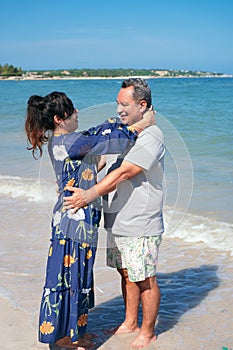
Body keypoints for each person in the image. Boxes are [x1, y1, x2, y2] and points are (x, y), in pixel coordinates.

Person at [25, 91, 155, 349]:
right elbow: (116, 140)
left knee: (80, 278)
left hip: (81, 221)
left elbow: (97, 136)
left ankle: (77, 333)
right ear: (59, 118)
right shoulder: (71, 142)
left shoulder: (66, 142)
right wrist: (143, 123)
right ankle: (63, 338)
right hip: (72, 222)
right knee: (68, 278)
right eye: (73, 112)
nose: (78, 114)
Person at [64, 78, 165, 349]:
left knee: (144, 278)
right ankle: (130, 322)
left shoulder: (151, 136)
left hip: (140, 221)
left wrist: (88, 196)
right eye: (117, 103)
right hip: (117, 218)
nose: (119, 109)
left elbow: (124, 172)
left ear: (142, 105)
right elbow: (97, 155)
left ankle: (148, 331)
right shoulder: (124, 130)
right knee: (126, 273)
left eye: (124, 104)